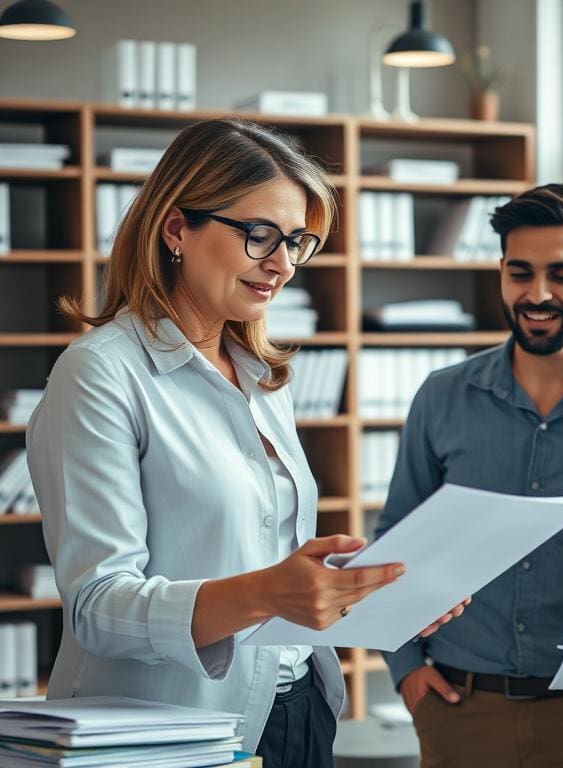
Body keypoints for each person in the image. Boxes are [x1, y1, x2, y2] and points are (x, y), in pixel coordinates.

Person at [25, 118, 465, 768]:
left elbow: (271, 567)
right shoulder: (101, 372)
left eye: (297, 241)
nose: (283, 264)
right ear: (177, 228)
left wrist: (376, 590)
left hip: (295, 710)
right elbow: (98, 606)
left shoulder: (262, 377)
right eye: (259, 235)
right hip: (171, 735)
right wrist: (268, 592)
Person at [375, 183, 563, 767]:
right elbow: (394, 543)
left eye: (561, 274)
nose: (538, 294)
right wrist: (406, 670)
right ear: (501, 272)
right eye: (520, 273)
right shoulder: (442, 398)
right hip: (457, 706)